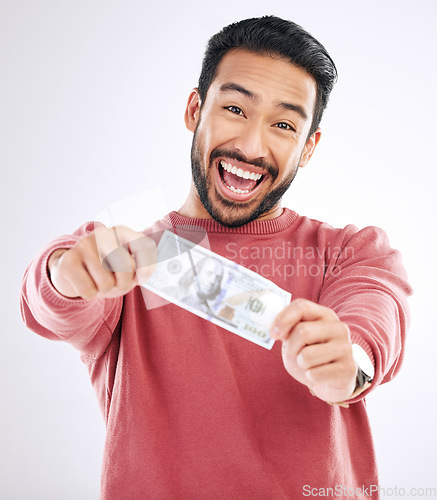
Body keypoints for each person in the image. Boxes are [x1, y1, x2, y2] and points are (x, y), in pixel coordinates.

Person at [20, 15, 412, 499]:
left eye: (285, 124)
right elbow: (51, 300)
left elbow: (374, 321)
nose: (251, 146)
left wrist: (347, 363)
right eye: (234, 109)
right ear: (194, 109)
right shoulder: (128, 261)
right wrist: (65, 273)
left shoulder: (353, 253)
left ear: (309, 147)